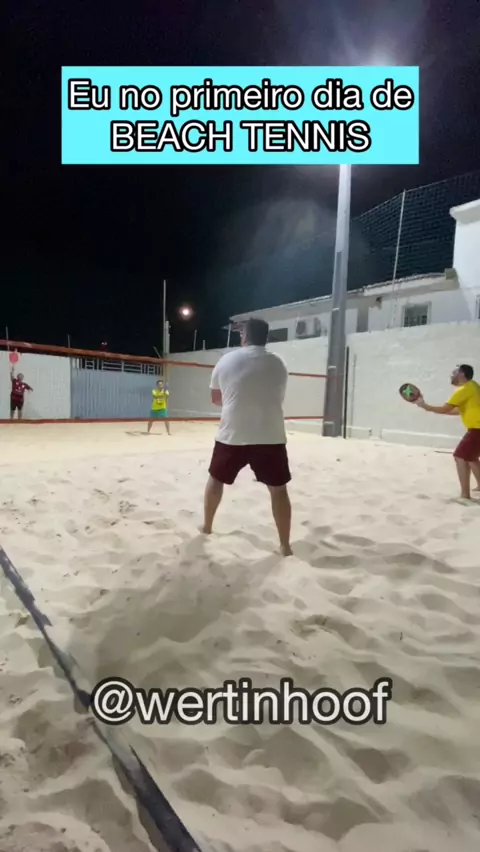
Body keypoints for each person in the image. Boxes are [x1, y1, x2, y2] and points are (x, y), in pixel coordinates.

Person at [202, 317, 293, 556]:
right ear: (266, 337)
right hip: (270, 433)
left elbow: (215, 399)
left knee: (216, 480)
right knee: (279, 490)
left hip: (233, 432)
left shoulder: (226, 360)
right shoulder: (279, 363)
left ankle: (207, 527)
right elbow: (277, 396)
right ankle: (285, 545)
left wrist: (236, 398)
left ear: (244, 336)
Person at [416, 364, 480, 499]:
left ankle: (465, 496)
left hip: (477, 428)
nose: (451, 375)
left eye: (454, 372)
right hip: (476, 428)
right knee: (471, 457)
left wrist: (425, 406)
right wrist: (430, 408)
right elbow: (456, 411)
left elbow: (445, 408)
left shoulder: (464, 390)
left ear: (462, 374)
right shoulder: (473, 386)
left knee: (460, 456)